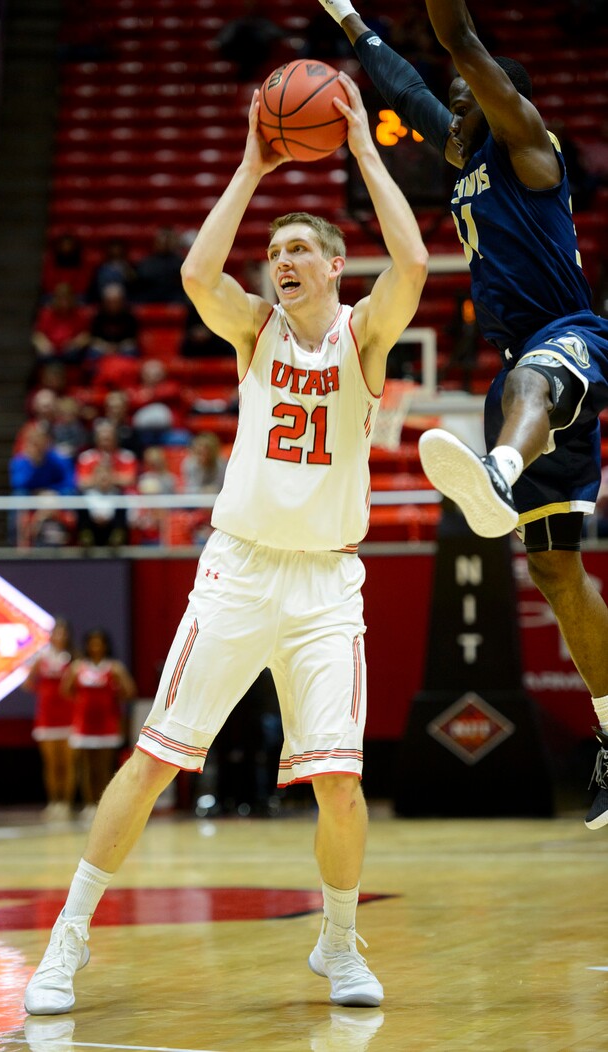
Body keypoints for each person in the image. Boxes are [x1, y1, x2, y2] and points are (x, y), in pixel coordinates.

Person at [23, 72, 427, 1015]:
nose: (281, 260)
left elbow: (408, 264)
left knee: (340, 783)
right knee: (155, 755)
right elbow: (199, 277)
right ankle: (67, 939)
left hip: (327, 583)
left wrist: (364, 150)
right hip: (238, 571)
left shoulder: (364, 339)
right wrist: (252, 165)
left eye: (299, 250)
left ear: (332, 266)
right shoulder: (256, 332)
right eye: (275, 250)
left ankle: (338, 942)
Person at [321, 0, 608, 828]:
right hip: (525, 365)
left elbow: (456, 38)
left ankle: (499, 470)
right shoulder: (463, 151)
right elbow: (406, 82)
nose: (447, 108)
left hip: (576, 337)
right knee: (556, 571)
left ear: (497, 96)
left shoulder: (526, 144)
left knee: (529, 382)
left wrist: (450, 37)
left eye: (462, 97)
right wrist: (348, 19)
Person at [60, 629, 137, 824]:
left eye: (99, 642)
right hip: (84, 725)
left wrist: (113, 695)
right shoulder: (78, 667)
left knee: (103, 768)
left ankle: (103, 804)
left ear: (105, 645)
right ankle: (88, 804)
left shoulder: (114, 667)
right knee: (86, 768)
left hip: (107, 725)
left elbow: (130, 691)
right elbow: (66, 690)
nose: (95, 646)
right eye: (92, 643)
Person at [23, 618, 76, 821]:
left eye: (64, 633)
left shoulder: (72, 658)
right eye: (57, 632)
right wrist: (45, 693)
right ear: (51, 635)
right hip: (46, 719)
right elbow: (28, 684)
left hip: (69, 718)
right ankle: (54, 802)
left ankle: (66, 803)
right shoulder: (41, 658)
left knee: (68, 764)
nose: (60, 637)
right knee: (52, 764)